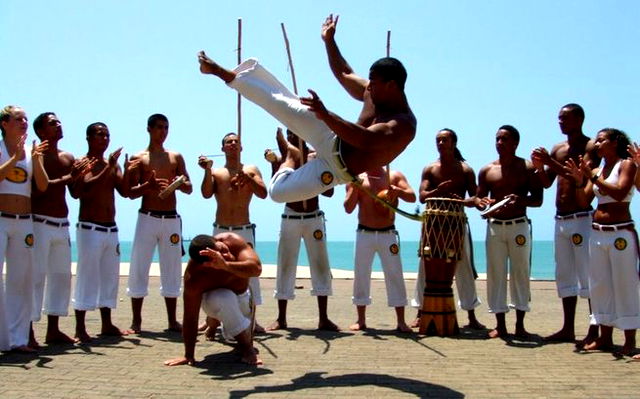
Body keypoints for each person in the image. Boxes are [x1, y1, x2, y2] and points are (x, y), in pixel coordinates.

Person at [197, 15, 416, 203]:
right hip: (331, 135)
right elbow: (344, 73)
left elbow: (365, 140)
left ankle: (291, 160)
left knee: (277, 193)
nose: (369, 86)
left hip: (336, 170)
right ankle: (217, 70)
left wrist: (326, 114)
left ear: (392, 86)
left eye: (374, 83)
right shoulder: (373, 90)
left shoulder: (403, 125)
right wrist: (329, 40)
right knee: (278, 102)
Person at [531, 104, 600, 345]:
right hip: (560, 219)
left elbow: (581, 177)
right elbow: (547, 182)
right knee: (565, 274)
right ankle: (567, 328)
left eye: (565, 118)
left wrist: (551, 161)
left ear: (580, 119)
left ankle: (594, 328)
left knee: (589, 274)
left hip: (581, 216)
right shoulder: (558, 148)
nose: (561, 122)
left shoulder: (590, 146)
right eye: (559, 118)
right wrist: (540, 167)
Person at [566, 128, 638, 356]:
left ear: (615, 142)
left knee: (624, 284)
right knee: (600, 285)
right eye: (596, 141)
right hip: (597, 232)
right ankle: (605, 336)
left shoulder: (625, 165)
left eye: (601, 140)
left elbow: (619, 192)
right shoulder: (597, 169)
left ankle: (629, 338)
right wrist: (580, 181)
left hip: (620, 234)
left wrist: (593, 177)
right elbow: (584, 201)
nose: (597, 145)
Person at [411, 129, 487, 330]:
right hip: (433, 224)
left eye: (444, 140)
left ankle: (471, 315)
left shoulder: (465, 170)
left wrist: (477, 202)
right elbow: (422, 196)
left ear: (454, 143)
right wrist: (439, 191)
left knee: (464, 269)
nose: (440, 143)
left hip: (456, 223)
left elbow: (475, 196)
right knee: (425, 267)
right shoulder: (430, 168)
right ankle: (420, 312)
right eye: (438, 140)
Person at [264, 127, 339, 331]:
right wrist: (274, 163)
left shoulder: (316, 157)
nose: (291, 137)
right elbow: (276, 187)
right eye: (288, 134)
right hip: (291, 218)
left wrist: (317, 170)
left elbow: (329, 191)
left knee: (321, 265)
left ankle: (323, 318)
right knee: (285, 265)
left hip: (314, 218)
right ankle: (281, 318)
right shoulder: (285, 160)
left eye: (295, 131)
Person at [126, 114, 192, 333]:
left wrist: (178, 183)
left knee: (172, 268)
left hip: (171, 218)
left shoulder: (176, 157)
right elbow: (131, 193)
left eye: (166, 128)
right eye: (159, 128)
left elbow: (189, 186)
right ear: (149, 129)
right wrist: (149, 185)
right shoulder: (139, 157)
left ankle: (172, 321)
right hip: (147, 217)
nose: (163, 132)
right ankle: (136, 321)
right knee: (139, 266)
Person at [30, 112, 91, 347]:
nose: (58, 125)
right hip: (39, 222)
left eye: (59, 122)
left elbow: (75, 193)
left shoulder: (68, 157)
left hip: (61, 224)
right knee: (36, 278)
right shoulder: (35, 157)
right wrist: (69, 176)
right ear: (41, 132)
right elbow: (37, 191)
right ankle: (28, 331)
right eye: (52, 123)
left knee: (61, 277)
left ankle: (53, 330)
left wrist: (80, 177)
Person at [198, 132, 267, 336]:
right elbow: (206, 193)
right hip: (221, 230)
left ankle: (252, 319)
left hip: (243, 230)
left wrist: (248, 179)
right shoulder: (218, 173)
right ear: (223, 149)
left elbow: (263, 193)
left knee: (250, 275)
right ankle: (212, 320)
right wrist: (207, 170)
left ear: (241, 147)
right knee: (216, 273)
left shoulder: (251, 169)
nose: (233, 144)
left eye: (236, 141)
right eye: (229, 142)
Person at [477, 125, 543, 339]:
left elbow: (538, 200)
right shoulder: (487, 170)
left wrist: (519, 199)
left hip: (519, 226)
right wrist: (483, 203)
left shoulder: (527, 167)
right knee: (495, 273)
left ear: (515, 143)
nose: (500, 143)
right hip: (495, 226)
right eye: (497, 139)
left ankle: (520, 324)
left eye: (504, 139)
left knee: (520, 273)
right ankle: (500, 325)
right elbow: (480, 200)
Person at [69, 122, 131, 342]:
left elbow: (125, 192)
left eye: (107, 135)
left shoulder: (111, 164)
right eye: (99, 135)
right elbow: (81, 191)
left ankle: (107, 324)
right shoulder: (82, 163)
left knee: (109, 277)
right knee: (87, 276)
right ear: (88, 138)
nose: (104, 139)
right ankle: (80, 327)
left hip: (110, 228)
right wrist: (109, 167)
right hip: (90, 228)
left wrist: (135, 176)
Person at [164, 233, 262, 366]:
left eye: (222, 249)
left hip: (242, 297)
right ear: (205, 265)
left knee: (233, 332)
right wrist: (188, 355)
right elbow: (190, 316)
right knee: (222, 298)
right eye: (217, 257)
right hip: (216, 301)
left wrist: (225, 265)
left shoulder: (233, 241)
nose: (224, 255)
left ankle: (213, 321)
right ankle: (247, 349)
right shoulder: (195, 277)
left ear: (217, 240)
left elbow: (256, 269)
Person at [0, 105, 48, 352]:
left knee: (21, 280)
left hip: (24, 221)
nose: (24, 123)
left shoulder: (31, 153)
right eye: (19, 119)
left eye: (26, 119)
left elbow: (42, 185)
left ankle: (17, 340)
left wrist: (36, 160)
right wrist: (13, 158)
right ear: (4, 124)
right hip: (1, 219)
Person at [344, 166, 416, 332]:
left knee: (395, 274)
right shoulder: (357, 177)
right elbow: (348, 208)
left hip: (388, 233)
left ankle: (401, 321)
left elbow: (412, 197)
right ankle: (361, 320)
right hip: (364, 233)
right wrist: (355, 187)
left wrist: (398, 192)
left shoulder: (394, 175)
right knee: (361, 275)